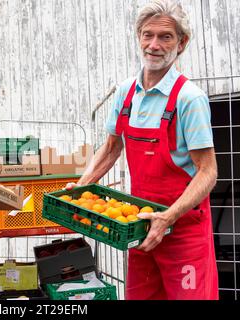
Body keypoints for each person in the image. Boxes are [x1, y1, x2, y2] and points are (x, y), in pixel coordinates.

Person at [67, 0, 218, 300]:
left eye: (166, 37)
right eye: (147, 35)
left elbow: (208, 172)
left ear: (182, 43)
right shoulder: (125, 93)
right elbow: (111, 148)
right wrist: (81, 187)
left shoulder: (190, 99)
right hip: (139, 228)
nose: (154, 45)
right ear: (138, 37)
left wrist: (169, 217)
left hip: (183, 232)